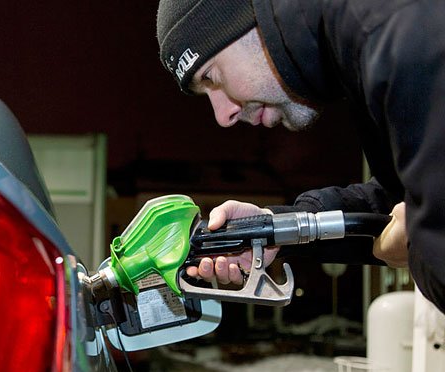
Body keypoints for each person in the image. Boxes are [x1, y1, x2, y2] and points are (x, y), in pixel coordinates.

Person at [155, 0, 445, 313]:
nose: (222, 115)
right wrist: (274, 229)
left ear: (249, 24)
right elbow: (398, 196)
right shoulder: (363, 42)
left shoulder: (394, 31)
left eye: (210, 77)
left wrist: (417, 248)